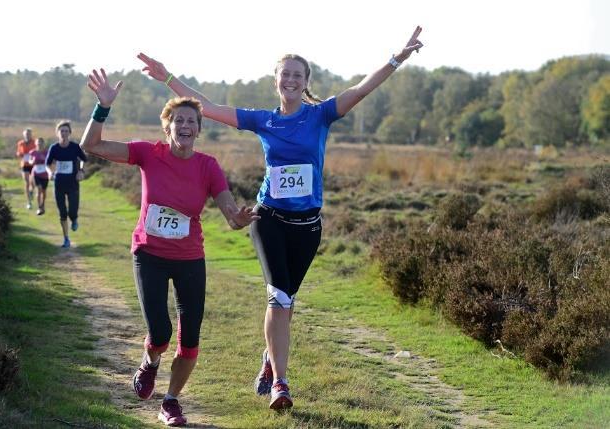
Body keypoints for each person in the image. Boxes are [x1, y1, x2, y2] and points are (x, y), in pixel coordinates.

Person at [138, 26, 424, 411]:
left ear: (306, 83)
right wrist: (168, 77)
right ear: (276, 81)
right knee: (279, 296)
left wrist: (397, 58)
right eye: (284, 74)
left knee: (287, 302)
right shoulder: (262, 120)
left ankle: (268, 359)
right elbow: (207, 107)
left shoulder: (321, 115)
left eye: (297, 75)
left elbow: (361, 89)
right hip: (268, 218)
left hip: (307, 226)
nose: (290, 80)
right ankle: (282, 385)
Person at [80, 68, 258, 427]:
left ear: (199, 129)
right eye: (178, 120)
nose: (186, 125)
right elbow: (91, 146)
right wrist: (102, 109)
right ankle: (150, 362)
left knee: (190, 340)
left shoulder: (208, 166)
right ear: (168, 127)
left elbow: (228, 211)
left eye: (192, 120)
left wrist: (238, 217)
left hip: (190, 258)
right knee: (160, 333)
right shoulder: (148, 154)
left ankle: (171, 401)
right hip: (150, 255)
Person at [46, 120, 87, 248]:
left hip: (73, 183)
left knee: (72, 211)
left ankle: (74, 219)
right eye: (61, 131)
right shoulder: (54, 148)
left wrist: (81, 171)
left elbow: (83, 160)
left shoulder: (75, 147)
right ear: (58, 133)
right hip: (59, 183)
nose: (63, 133)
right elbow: (47, 164)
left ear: (70, 133)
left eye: (66, 131)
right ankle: (66, 239)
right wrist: (49, 173)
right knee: (62, 212)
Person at [29, 137, 50, 215]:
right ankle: (39, 208)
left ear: (43, 144)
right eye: (38, 143)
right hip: (36, 173)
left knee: (44, 192)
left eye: (41, 143)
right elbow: (30, 161)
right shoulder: (33, 152)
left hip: (45, 174)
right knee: (39, 189)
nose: (39, 144)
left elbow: (51, 161)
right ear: (36, 144)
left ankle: (43, 204)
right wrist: (32, 162)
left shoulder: (47, 152)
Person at [16, 128, 36, 209]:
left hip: (33, 164)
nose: (27, 135)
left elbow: (37, 151)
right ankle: (29, 202)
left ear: (31, 135)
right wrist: (19, 154)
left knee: (33, 182)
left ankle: (31, 191)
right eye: (26, 134)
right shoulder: (20, 143)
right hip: (24, 164)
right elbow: (18, 152)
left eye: (29, 134)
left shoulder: (35, 142)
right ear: (24, 135)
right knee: (27, 182)